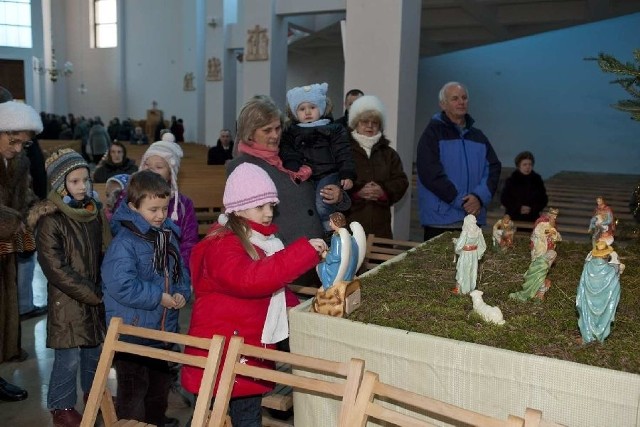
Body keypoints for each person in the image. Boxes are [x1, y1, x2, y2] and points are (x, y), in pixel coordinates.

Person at [181, 163, 326, 426]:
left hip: (243, 349)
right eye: (260, 206)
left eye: (271, 205)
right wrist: (302, 253)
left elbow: (274, 291)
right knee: (213, 416)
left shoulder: (258, 241)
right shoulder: (222, 244)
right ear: (237, 208)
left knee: (245, 413)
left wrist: (301, 310)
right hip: (222, 353)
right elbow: (252, 280)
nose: (269, 213)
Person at [27, 148, 111, 426]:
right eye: (74, 181)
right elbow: (55, 267)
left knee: (93, 351)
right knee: (69, 357)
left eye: (85, 180)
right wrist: (91, 292)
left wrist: (106, 286)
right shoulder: (51, 219)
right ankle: (61, 406)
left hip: (95, 295)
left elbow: (105, 250)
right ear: (59, 183)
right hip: (67, 300)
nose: (82, 186)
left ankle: (92, 393)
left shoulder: (93, 212)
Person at [227, 95, 350, 285]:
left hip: (315, 256)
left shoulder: (291, 157)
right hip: (286, 262)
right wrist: (285, 255)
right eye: (267, 130)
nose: (275, 135)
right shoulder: (243, 167)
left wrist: (339, 196)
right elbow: (245, 223)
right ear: (250, 133)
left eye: (277, 128)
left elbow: (315, 191)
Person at [101, 170, 191, 426]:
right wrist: (158, 297)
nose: (161, 215)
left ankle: (156, 421)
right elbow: (121, 285)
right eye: (153, 209)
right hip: (133, 331)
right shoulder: (124, 242)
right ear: (133, 207)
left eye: (164, 208)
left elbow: (179, 271)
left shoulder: (167, 235)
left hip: (162, 330)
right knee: (133, 392)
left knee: (158, 389)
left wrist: (181, 292)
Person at [416, 81, 502, 241]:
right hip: (440, 221)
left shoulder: (479, 137)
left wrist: (479, 197)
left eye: (464, 97)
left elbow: (493, 169)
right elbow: (430, 173)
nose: (461, 102)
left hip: (473, 221)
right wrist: (462, 202)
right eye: (455, 98)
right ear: (443, 104)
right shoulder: (432, 134)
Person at [0, 98, 43, 402]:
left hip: (4, 251)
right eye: (13, 140)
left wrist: (40, 208)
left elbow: (26, 196)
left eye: (23, 144)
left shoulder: (18, 162)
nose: (17, 149)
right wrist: (16, 221)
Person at [279, 82, 356, 232]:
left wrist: (347, 174)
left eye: (312, 107)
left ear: (321, 108)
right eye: (302, 109)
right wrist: (292, 162)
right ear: (295, 112)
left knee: (322, 205)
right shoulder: (291, 131)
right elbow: (286, 150)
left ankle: (329, 229)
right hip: (304, 175)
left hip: (328, 174)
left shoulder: (333, 129)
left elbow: (343, 152)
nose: (307, 112)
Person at [345, 95, 409, 238]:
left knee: (381, 261)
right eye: (365, 122)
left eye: (375, 122)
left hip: (381, 228)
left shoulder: (389, 154)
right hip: (350, 227)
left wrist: (383, 190)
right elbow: (335, 182)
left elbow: (401, 181)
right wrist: (357, 192)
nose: (370, 126)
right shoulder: (344, 152)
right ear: (356, 123)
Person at [137, 140, 198, 271]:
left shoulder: (183, 205)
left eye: (159, 167)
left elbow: (189, 243)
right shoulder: (131, 200)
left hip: (172, 269)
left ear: (171, 173)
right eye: (147, 165)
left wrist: (176, 269)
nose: (151, 170)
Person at [510, 208, 561, 302]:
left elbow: (558, 237)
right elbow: (537, 233)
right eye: (553, 216)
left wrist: (554, 235)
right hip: (540, 250)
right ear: (549, 216)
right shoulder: (542, 224)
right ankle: (534, 289)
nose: (554, 218)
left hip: (548, 250)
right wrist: (548, 233)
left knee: (544, 268)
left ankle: (540, 291)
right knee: (537, 269)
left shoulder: (553, 226)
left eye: (555, 216)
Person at [576, 241, 622, 344]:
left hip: (588, 299)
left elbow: (581, 284)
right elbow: (616, 287)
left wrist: (581, 294)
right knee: (602, 318)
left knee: (588, 316)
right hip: (604, 302)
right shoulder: (610, 271)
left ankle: (587, 336)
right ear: (606, 255)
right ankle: (598, 337)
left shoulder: (587, 267)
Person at [500, 151, 548, 222]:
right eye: (524, 164)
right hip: (513, 216)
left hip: (532, 216)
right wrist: (518, 208)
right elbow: (504, 199)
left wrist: (531, 209)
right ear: (519, 166)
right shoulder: (511, 180)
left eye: (530, 164)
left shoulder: (537, 180)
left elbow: (543, 199)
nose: (528, 167)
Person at [317, 212, 359, 290]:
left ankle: (329, 287)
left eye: (331, 222)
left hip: (339, 266)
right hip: (349, 267)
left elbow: (336, 257)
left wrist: (326, 255)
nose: (329, 224)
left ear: (336, 223)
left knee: (321, 267)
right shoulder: (349, 236)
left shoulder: (338, 237)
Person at [452, 214, 487, 295]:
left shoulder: (465, 231)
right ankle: (470, 288)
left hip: (465, 254)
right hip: (474, 254)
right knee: (472, 270)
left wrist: (456, 243)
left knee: (463, 270)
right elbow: (482, 244)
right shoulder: (478, 230)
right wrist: (479, 254)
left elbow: (460, 244)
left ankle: (461, 289)